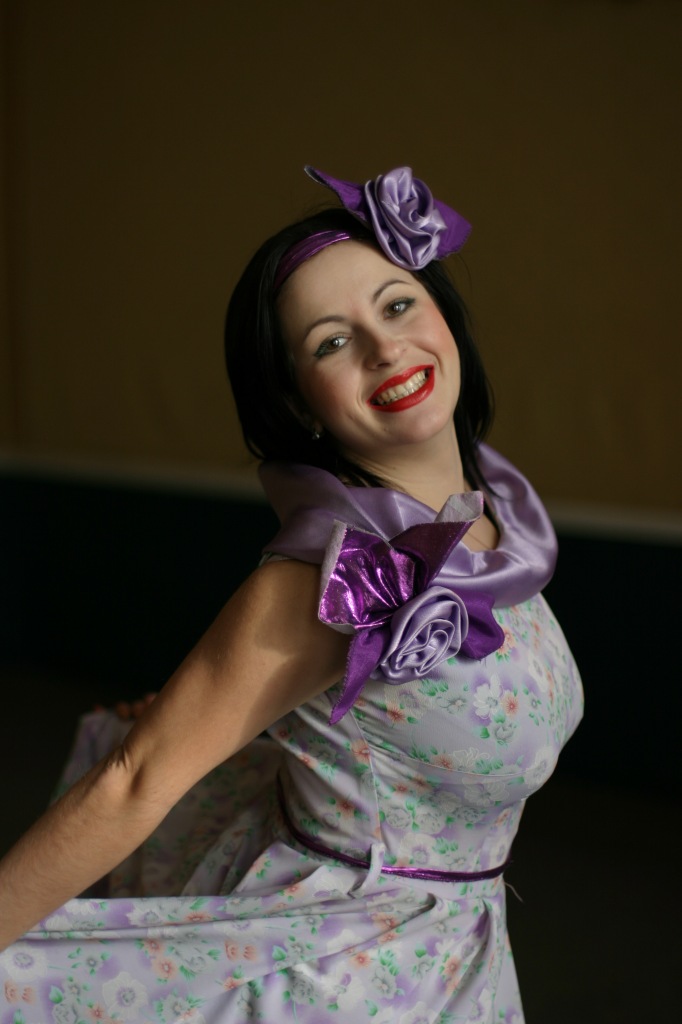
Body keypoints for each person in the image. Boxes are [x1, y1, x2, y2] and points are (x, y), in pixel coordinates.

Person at [0, 166, 583, 1023]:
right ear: (298, 403)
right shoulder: (333, 576)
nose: (385, 348)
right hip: (340, 980)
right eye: (331, 342)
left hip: (456, 950)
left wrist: (252, 721)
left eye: (397, 305)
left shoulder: (491, 513)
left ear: (444, 314)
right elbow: (133, 782)